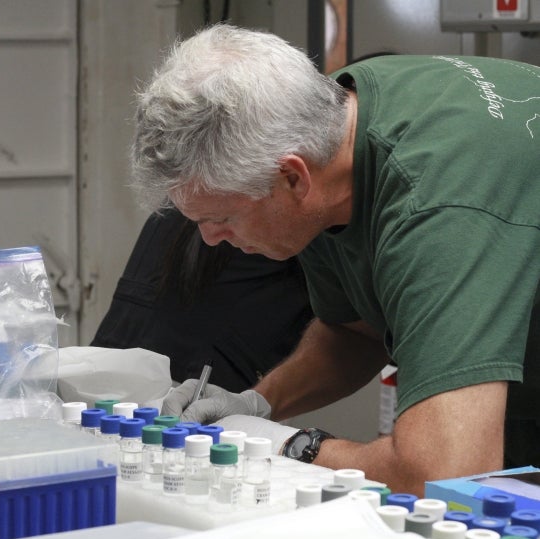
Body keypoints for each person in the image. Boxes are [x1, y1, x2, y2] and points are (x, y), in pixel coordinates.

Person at [130, 24, 540, 496]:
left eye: (222, 217)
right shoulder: (329, 120)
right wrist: (257, 404)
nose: (210, 239)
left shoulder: (440, 207)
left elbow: (445, 473)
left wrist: (287, 445)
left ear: (293, 178)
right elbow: (353, 331)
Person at [91, 207, 313, 392]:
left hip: (117, 366)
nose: (211, 235)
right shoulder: (264, 210)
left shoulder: (192, 190)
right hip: (191, 381)